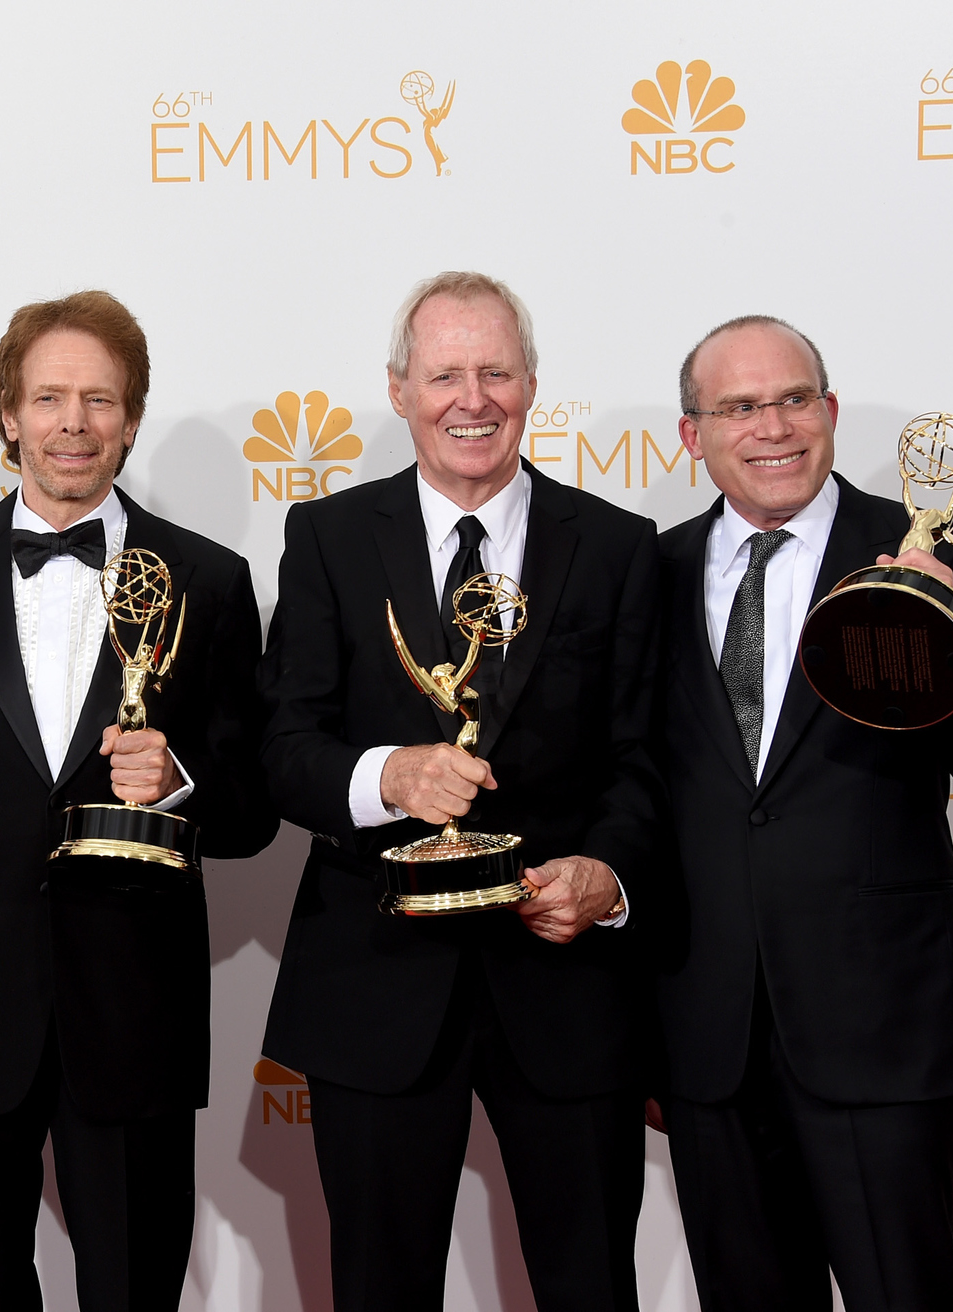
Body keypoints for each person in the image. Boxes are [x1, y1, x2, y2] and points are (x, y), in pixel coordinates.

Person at [0, 290, 277, 1311]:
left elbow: (255, 809)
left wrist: (176, 782)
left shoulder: (208, 579)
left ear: (130, 417)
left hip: (132, 1017)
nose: (73, 423)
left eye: (99, 398)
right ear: (7, 413)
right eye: (48, 397)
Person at [257, 270, 663, 1312]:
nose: (469, 398)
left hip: (565, 983)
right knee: (379, 1291)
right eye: (444, 373)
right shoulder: (326, 539)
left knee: (590, 1287)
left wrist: (606, 870)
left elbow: (646, 756)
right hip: (375, 980)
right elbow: (279, 745)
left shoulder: (616, 548)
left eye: (494, 371)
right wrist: (384, 775)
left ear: (531, 384)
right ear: (398, 389)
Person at [649, 315, 953, 1311]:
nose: (770, 427)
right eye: (737, 406)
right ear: (689, 433)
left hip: (878, 1020)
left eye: (792, 399)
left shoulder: (933, 546)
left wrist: (938, 654)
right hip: (706, 1027)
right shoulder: (646, 574)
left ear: (827, 413)